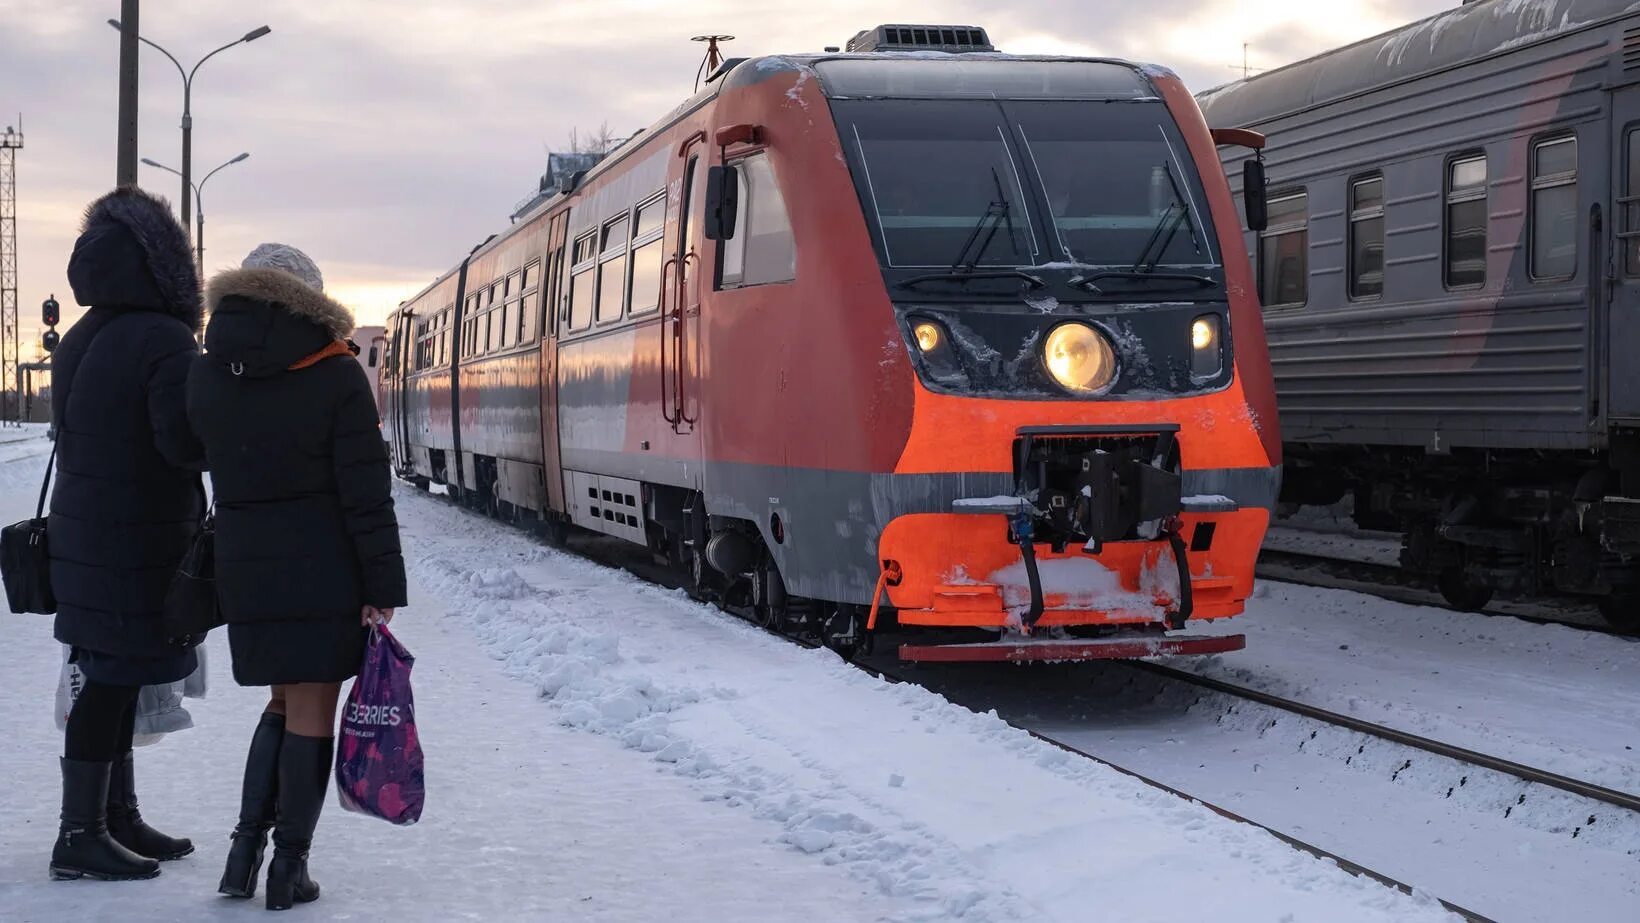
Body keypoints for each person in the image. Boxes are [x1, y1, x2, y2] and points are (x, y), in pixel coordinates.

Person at [188, 243, 406, 911]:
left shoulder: (209, 374)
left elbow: (186, 448)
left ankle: (241, 852)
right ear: (309, 300)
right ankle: (289, 868)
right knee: (310, 704)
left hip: (247, 565)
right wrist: (383, 585)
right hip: (323, 565)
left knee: (282, 700)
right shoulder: (336, 374)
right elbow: (365, 493)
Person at [48, 187, 205, 882]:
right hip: (137, 537)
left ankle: (116, 815)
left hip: (86, 534)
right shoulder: (164, 339)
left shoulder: (82, 337)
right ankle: (80, 832)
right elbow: (178, 443)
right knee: (110, 684)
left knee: (109, 675)